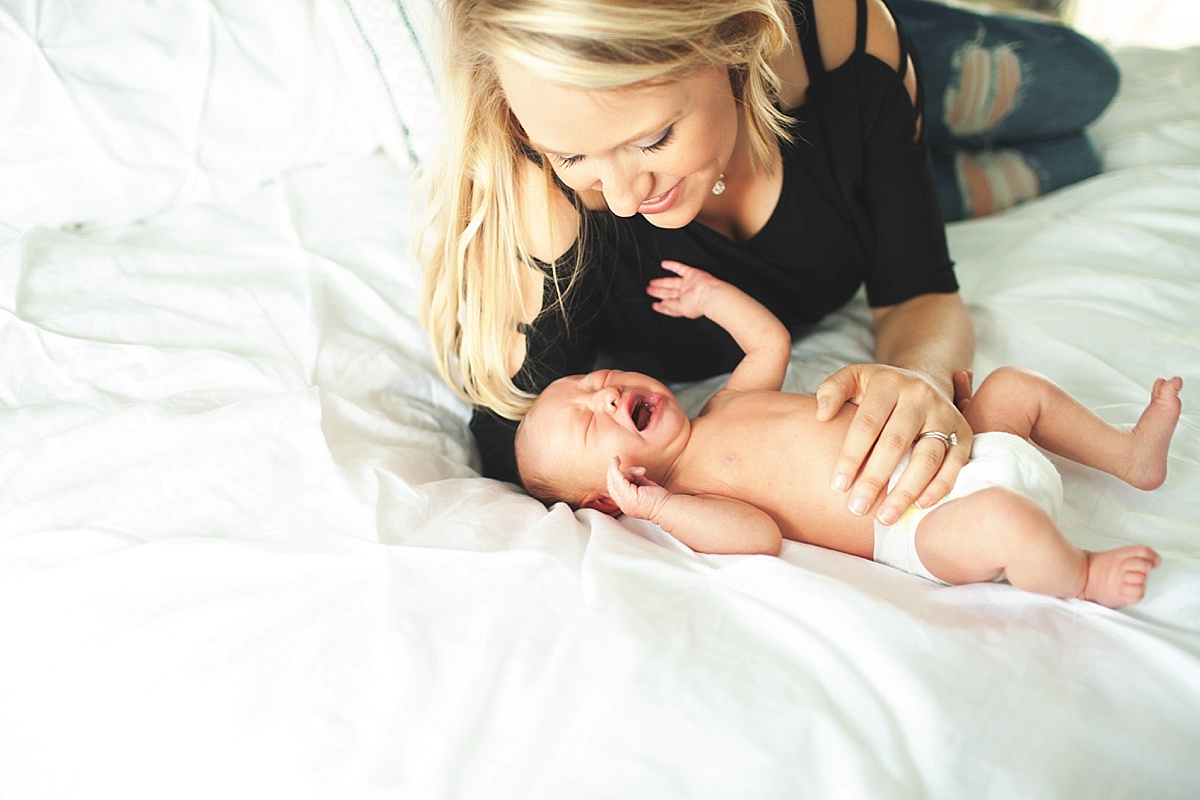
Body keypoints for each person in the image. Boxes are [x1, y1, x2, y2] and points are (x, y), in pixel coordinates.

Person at [418, 0, 1118, 529]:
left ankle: (912, 113)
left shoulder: (836, 41)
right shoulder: (546, 197)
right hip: (814, 123)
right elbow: (509, 434)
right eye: (575, 155)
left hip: (816, 76)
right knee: (1080, 157)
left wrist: (916, 378)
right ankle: (921, 169)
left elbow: (917, 293)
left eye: (653, 137)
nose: (625, 199)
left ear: (732, 42)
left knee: (1093, 84)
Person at [514, 262, 1181, 609]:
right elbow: (758, 539)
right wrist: (658, 508)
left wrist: (711, 299)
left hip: (954, 447)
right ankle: (1080, 575)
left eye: (597, 379)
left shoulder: (729, 402)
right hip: (919, 521)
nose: (603, 393)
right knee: (1013, 522)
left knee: (1014, 388)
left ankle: (1129, 455)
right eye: (587, 419)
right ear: (606, 497)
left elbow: (768, 339)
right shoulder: (691, 492)